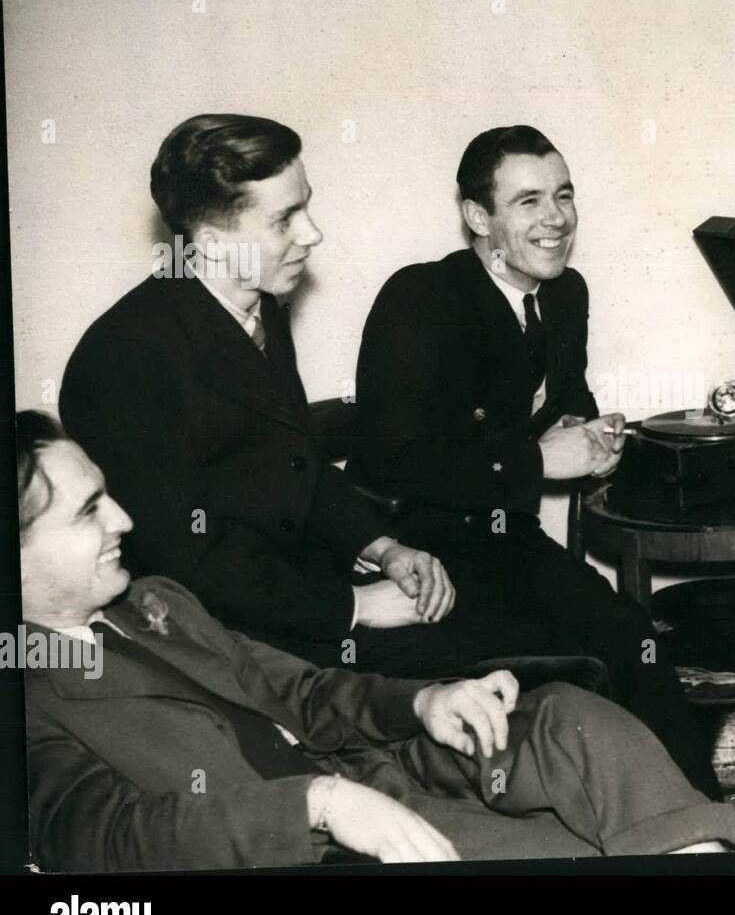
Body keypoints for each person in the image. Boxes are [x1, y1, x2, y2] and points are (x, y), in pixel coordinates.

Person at [18, 411, 735, 871]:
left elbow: (303, 691)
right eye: (88, 512)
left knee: (571, 718)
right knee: (586, 850)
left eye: (106, 494)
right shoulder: (26, 697)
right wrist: (317, 805)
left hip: (382, 772)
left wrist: (426, 701)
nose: (123, 520)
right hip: (324, 848)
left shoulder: (155, 602)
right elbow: (114, 841)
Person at [349, 126, 721, 798]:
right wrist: (536, 462)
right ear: (477, 217)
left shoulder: (565, 293)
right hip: (417, 556)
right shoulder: (421, 298)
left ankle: (696, 827)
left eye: (564, 194)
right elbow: (390, 460)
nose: (556, 219)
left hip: (508, 544)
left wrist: (593, 436)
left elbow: (567, 402)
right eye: (528, 202)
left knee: (631, 637)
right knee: (584, 656)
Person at [59, 114, 454, 664]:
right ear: (213, 243)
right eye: (285, 219)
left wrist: (382, 547)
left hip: (294, 594)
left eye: (306, 206)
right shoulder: (124, 358)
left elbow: (295, 465)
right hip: (217, 641)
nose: (312, 233)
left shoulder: (261, 303)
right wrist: (353, 608)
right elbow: (184, 562)